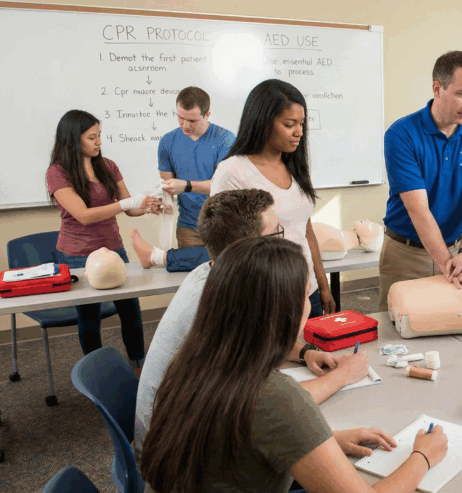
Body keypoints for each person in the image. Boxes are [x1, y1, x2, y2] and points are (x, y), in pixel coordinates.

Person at [138, 236, 449, 493]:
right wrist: (423, 455)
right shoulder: (273, 395)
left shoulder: (192, 361)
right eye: (305, 293)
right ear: (283, 313)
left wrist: (320, 442)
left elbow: (236, 439)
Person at [134, 189, 368, 451]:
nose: (286, 241)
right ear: (250, 249)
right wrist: (343, 376)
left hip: (182, 439)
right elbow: (270, 404)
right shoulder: (218, 305)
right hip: (179, 455)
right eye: (278, 233)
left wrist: (305, 352)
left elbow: (254, 348)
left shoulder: (212, 273)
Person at [45, 109, 163, 373]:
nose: (99, 142)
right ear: (73, 139)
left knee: (130, 310)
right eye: (92, 137)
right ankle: (96, 374)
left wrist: (148, 205)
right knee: (89, 316)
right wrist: (125, 204)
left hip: (113, 250)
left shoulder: (108, 165)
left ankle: (138, 367)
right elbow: (84, 216)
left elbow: (130, 209)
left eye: (99, 136)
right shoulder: (58, 172)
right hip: (78, 254)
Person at [378, 50, 462, 311]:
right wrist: (448, 264)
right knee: (397, 329)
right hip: (406, 254)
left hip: (458, 251)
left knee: (452, 331)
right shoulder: (401, 134)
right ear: (437, 88)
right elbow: (417, 209)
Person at [211, 79, 335, 316]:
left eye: (301, 123)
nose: (299, 132)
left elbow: (305, 231)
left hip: (308, 291)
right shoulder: (233, 172)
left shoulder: (294, 166)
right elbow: (226, 251)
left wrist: (323, 285)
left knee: (313, 352)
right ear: (263, 122)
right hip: (267, 296)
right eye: (290, 124)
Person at [158, 86, 236, 248]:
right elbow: (167, 185)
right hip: (188, 228)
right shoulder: (167, 142)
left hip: (224, 226)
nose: (185, 125)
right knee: (189, 272)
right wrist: (162, 199)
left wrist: (185, 186)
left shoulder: (225, 140)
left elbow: (224, 187)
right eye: (180, 117)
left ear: (207, 114)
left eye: (192, 120)